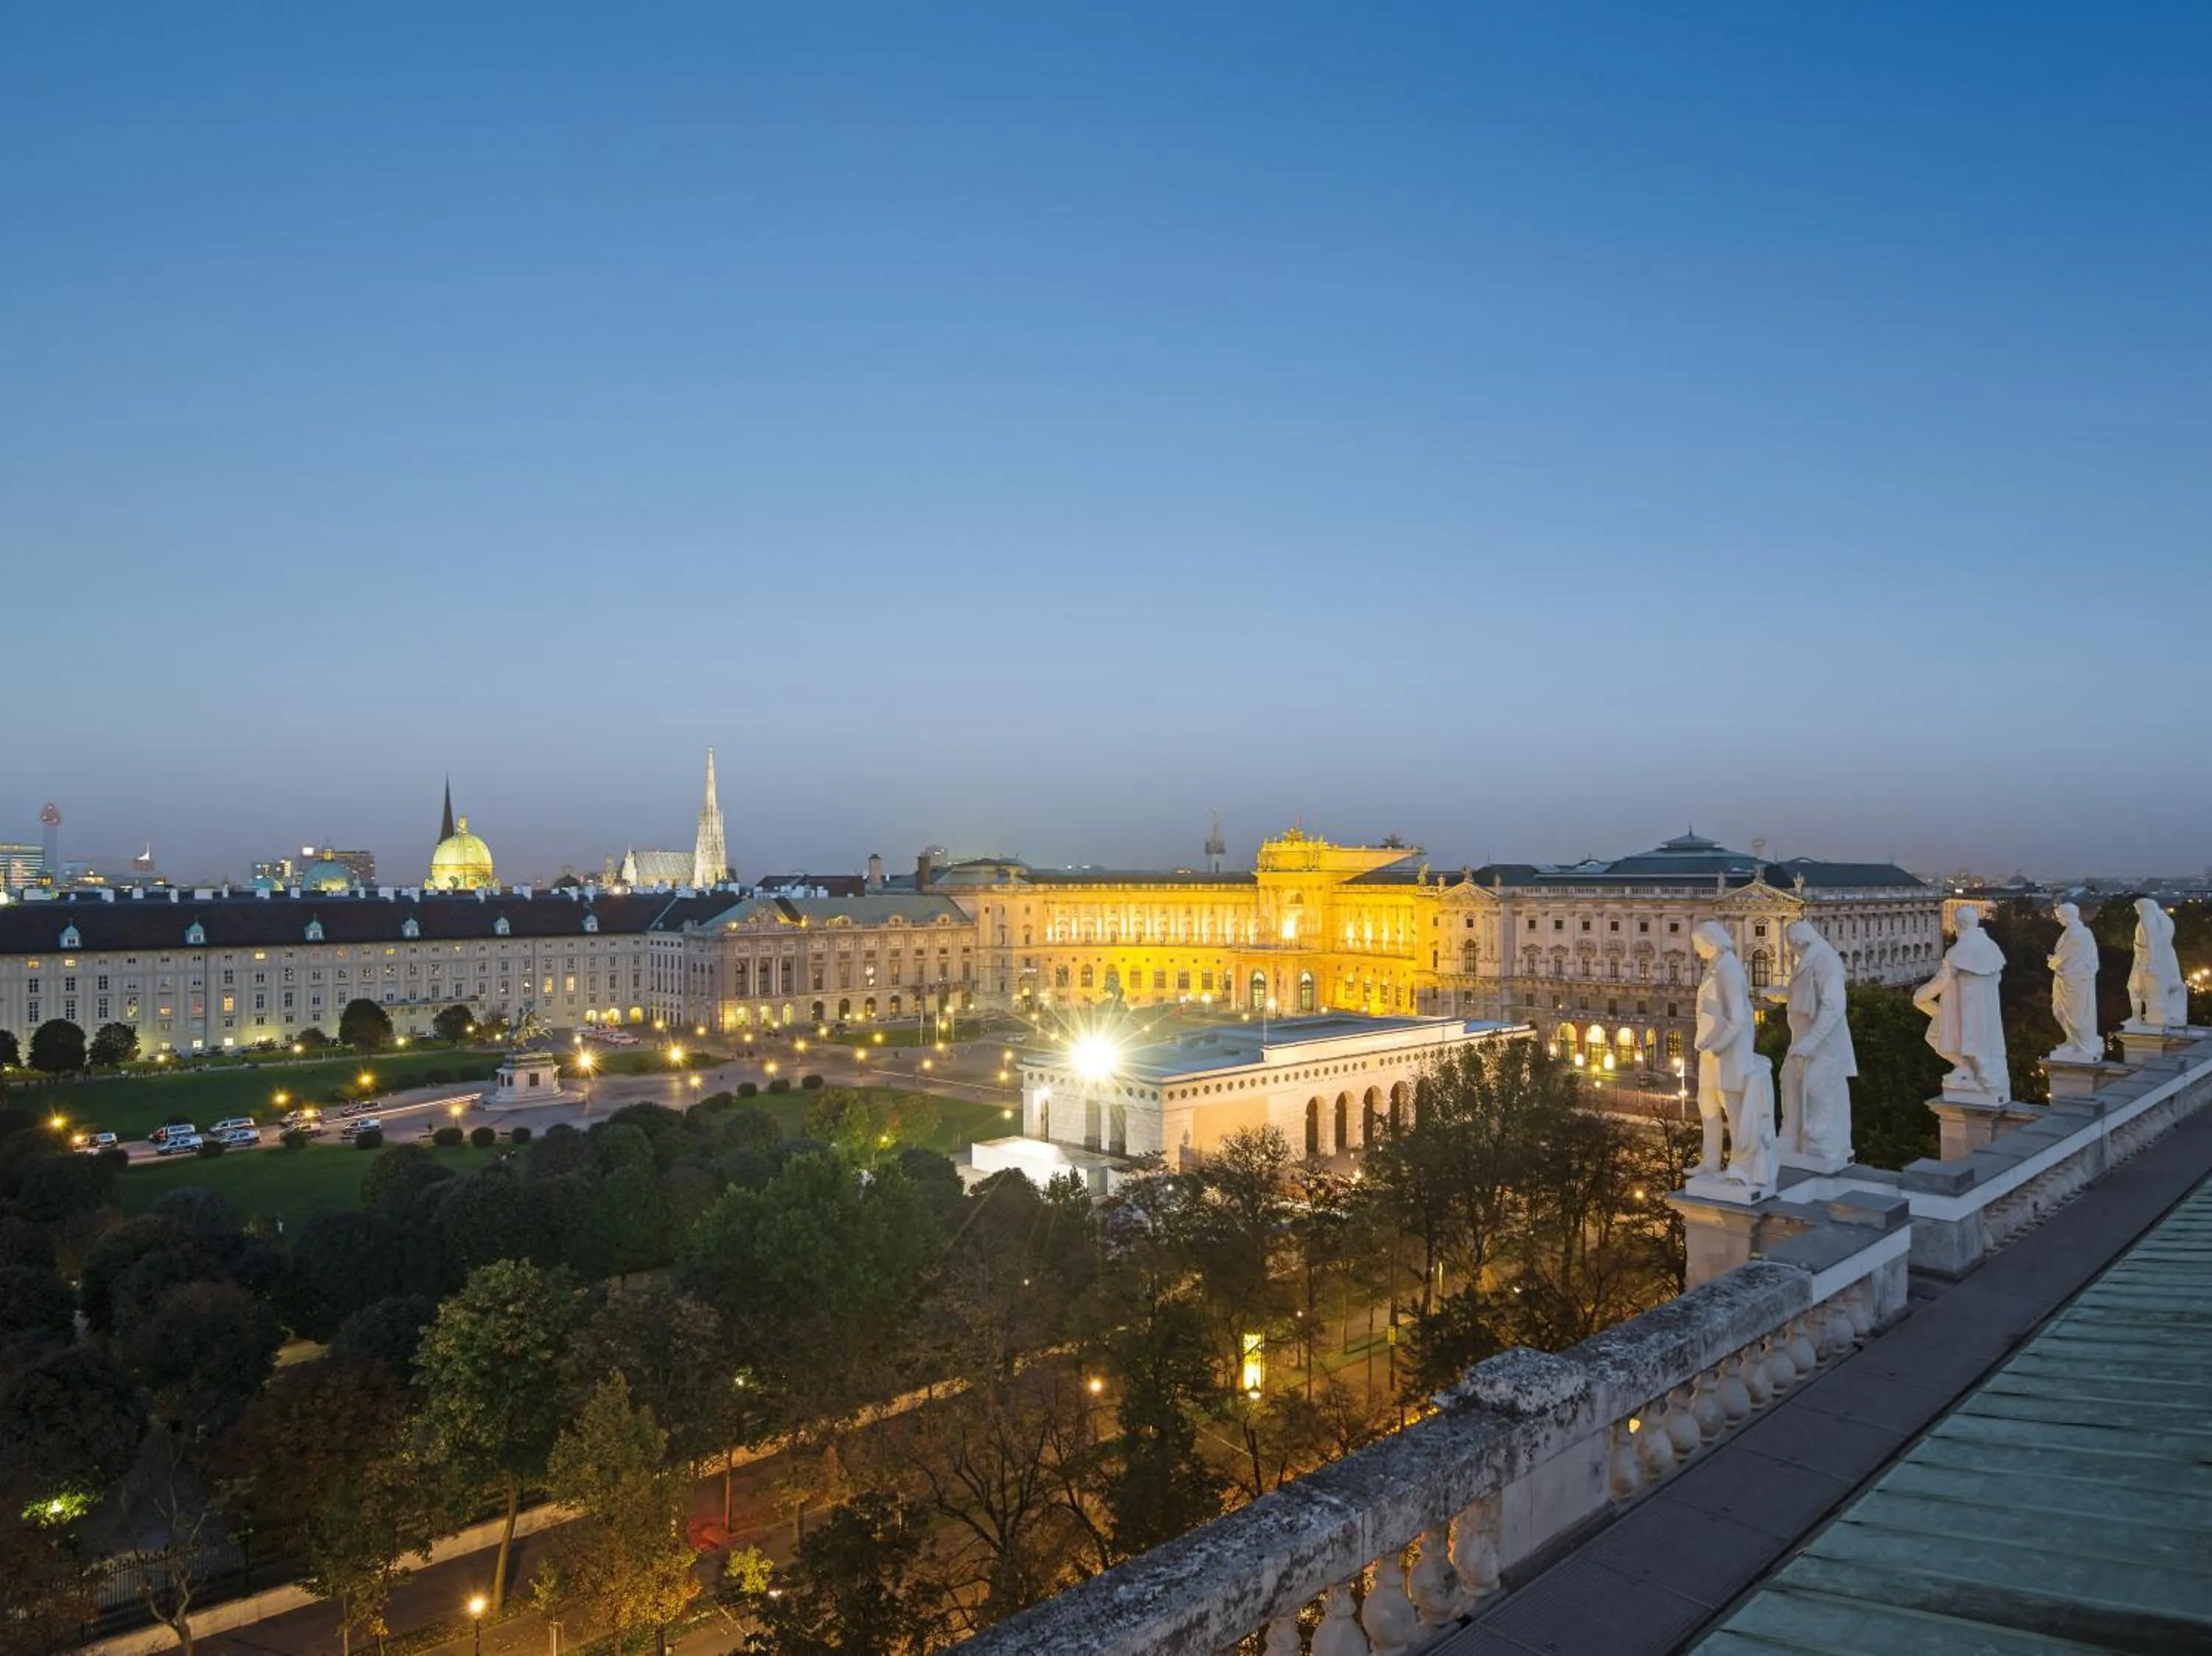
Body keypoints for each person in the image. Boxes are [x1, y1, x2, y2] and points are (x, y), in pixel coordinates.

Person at [1692, 921, 1775, 1194]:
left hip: (1726, 1051)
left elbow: (1738, 1018)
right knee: (1708, 1104)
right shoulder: (1716, 964)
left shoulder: (1729, 968)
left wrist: (1718, 1047)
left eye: (1698, 945)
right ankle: (1710, 1163)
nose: (1695, 950)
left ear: (1711, 942)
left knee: (1733, 1108)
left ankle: (1741, 1167)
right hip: (1710, 1048)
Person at [1914, 905, 2009, 1102]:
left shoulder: (1959, 951)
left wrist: (1920, 995)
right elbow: (1997, 978)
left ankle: (1973, 1072)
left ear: (1960, 925)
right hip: (1984, 1011)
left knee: (1939, 1036)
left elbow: (1942, 980)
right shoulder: (1991, 948)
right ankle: (1967, 1068)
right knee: (1947, 1036)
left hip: (1966, 1011)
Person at [1781, 921, 1856, 1167]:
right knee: (1789, 1079)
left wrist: (1811, 1042)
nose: (1792, 951)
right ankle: (1790, 1137)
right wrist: (1782, 994)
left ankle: (1820, 1140)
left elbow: (1834, 1006)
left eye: (1793, 947)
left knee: (1817, 1085)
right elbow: (1806, 992)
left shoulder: (1826, 959)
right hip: (1803, 1034)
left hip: (1823, 1038)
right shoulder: (1812, 957)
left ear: (1800, 942)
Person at [2047, 902, 2101, 1061]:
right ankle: (2073, 1041)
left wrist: (2052, 961)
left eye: (2059, 917)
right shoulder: (2078, 932)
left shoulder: (2077, 934)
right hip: (2068, 977)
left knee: (2073, 1013)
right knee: (2061, 1010)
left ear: (2066, 916)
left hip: (2074, 980)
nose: (2058, 920)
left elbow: (2065, 956)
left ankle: (2081, 1045)